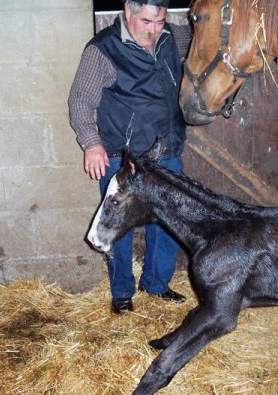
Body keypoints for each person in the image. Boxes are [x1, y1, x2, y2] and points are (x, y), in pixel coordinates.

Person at [68, 0, 192, 313]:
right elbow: (80, 101)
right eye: (147, 21)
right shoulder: (103, 49)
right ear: (128, 11)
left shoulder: (173, 39)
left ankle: (157, 284)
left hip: (166, 150)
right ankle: (122, 292)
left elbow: (207, 41)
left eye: (160, 22)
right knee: (119, 227)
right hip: (122, 158)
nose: (153, 30)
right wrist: (91, 143)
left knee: (168, 223)